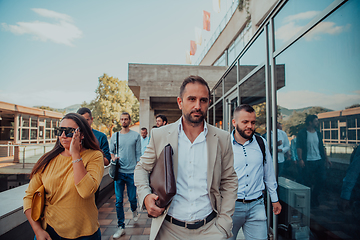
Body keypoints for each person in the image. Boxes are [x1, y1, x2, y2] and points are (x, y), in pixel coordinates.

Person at [134, 75, 238, 240]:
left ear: (209, 103)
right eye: (192, 99)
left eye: (203, 100)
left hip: (210, 230)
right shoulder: (160, 135)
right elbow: (142, 168)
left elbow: (230, 180)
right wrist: (145, 195)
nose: (198, 106)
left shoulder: (222, 138)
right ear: (180, 102)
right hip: (169, 229)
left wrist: (224, 224)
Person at [23, 113, 104, 240]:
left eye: (69, 132)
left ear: (82, 135)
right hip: (50, 231)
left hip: (84, 234)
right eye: (60, 131)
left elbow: (86, 191)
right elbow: (29, 197)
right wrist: (38, 230)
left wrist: (75, 154)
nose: (63, 136)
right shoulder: (47, 160)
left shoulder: (94, 156)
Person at [229, 104, 281, 240]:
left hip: (256, 206)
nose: (250, 126)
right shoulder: (224, 144)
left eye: (252, 122)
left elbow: (268, 174)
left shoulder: (261, 143)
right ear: (234, 122)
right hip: (230, 207)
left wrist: (274, 199)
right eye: (245, 122)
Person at [109, 112, 141, 238]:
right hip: (119, 173)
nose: (123, 121)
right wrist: (114, 158)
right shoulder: (115, 136)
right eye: (122, 119)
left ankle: (134, 209)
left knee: (132, 198)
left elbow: (138, 154)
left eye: (126, 119)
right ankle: (121, 226)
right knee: (118, 201)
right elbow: (111, 152)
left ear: (129, 120)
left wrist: (138, 170)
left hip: (132, 172)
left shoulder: (136, 136)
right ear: (120, 121)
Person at [296, 114, 332, 207]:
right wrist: (300, 159)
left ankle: (314, 196)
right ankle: (310, 200)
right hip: (308, 161)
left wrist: (326, 159)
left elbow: (322, 147)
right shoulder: (302, 133)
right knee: (307, 181)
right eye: (316, 121)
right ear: (310, 122)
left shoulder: (318, 133)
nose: (317, 123)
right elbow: (299, 147)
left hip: (319, 160)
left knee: (321, 179)